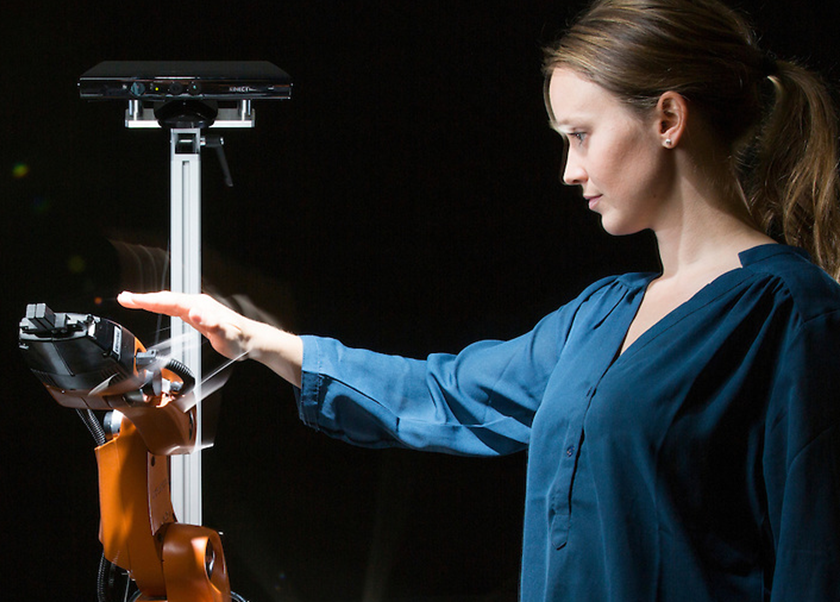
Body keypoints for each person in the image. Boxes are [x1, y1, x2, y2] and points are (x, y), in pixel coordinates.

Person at [118, 0, 840, 599]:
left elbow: (816, 563)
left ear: (668, 119)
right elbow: (447, 394)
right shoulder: (602, 315)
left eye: (582, 136)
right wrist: (252, 337)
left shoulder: (792, 314)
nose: (569, 169)